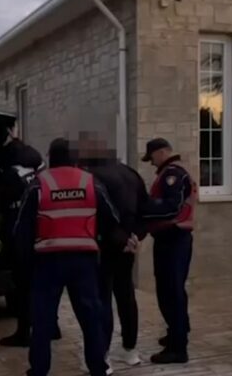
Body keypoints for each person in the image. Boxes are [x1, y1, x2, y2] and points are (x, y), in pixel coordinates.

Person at [14, 138, 122, 376]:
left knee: (42, 320)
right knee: (91, 318)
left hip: (48, 262)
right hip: (83, 261)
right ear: (74, 157)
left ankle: (39, 370)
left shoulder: (39, 184)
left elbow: (22, 228)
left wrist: (25, 264)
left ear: (50, 157)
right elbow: (112, 220)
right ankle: (98, 368)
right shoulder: (90, 182)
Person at [76, 133, 148, 367]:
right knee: (126, 295)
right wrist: (135, 237)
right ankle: (130, 349)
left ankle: (102, 355)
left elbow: (101, 215)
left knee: (102, 298)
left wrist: (119, 238)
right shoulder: (130, 173)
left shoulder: (92, 177)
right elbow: (145, 209)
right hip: (128, 245)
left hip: (103, 245)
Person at [0, 123, 62, 347]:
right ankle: (52, 326)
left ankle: (24, 332)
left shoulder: (7, 169)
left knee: (22, 284)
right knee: (44, 281)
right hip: (42, 228)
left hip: (19, 229)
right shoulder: (37, 165)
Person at [141, 138, 197, 364]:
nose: (152, 162)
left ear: (162, 152)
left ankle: (178, 347)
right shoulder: (171, 172)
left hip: (173, 238)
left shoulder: (172, 174)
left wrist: (143, 207)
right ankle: (176, 332)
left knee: (170, 292)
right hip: (172, 239)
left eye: (152, 157)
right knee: (171, 290)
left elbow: (170, 207)